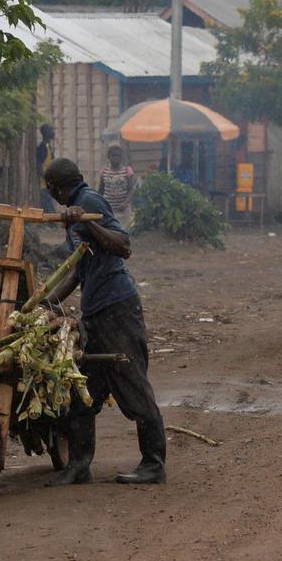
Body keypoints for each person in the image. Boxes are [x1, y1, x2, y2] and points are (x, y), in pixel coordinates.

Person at [42, 158, 166, 486]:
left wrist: (87, 222)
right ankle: (80, 466)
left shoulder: (89, 202)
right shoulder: (76, 209)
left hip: (118, 307)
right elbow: (79, 270)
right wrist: (46, 302)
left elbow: (123, 246)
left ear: (52, 187)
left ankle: (153, 464)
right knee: (82, 388)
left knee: (133, 383)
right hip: (95, 311)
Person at [98, 144, 138, 229]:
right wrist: (99, 205)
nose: (116, 158)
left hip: (123, 211)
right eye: (113, 155)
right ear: (109, 157)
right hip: (109, 210)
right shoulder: (104, 172)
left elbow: (132, 190)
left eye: (118, 155)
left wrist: (125, 202)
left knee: (124, 235)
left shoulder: (127, 170)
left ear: (122, 157)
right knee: (111, 234)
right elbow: (100, 191)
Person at [36, 125, 57, 210]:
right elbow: (39, 164)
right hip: (45, 183)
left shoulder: (48, 146)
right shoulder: (43, 146)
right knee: (48, 204)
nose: (53, 132)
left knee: (50, 203)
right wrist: (44, 178)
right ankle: (54, 223)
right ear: (46, 133)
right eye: (50, 130)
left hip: (50, 181)